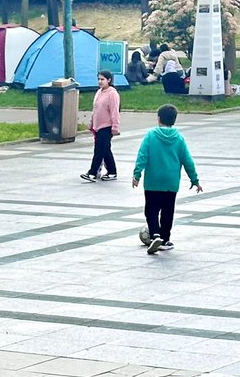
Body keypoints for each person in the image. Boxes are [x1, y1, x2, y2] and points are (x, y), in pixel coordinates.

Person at [133, 103, 201, 255]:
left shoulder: (151, 135)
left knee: (151, 210)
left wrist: (137, 174)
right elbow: (187, 160)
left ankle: (155, 234)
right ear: (174, 120)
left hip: (153, 181)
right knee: (167, 211)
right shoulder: (179, 138)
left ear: (158, 118)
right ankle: (165, 239)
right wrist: (194, 179)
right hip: (171, 182)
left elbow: (142, 156)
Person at [81, 71, 121, 182]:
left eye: (102, 79)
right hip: (98, 126)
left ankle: (92, 173)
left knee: (99, 150)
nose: (100, 81)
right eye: (99, 79)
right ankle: (112, 172)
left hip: (107, 126)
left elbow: (114, 111)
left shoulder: (112, 94)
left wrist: (115, 127)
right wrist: (91, 123)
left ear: (109, 80)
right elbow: (96, 110)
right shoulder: (99, 92)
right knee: (105, 150)